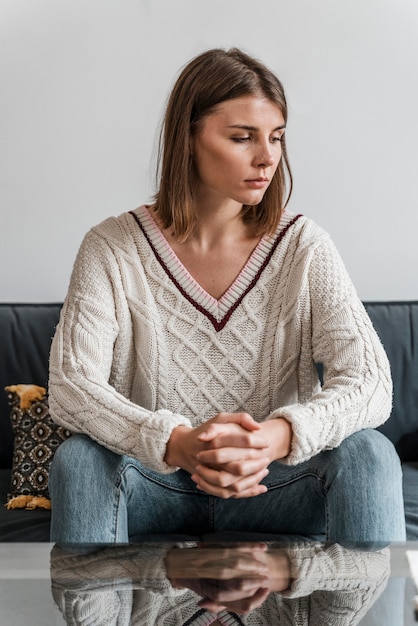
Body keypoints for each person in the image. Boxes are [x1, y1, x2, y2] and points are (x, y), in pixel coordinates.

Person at [48, 47, 405, 545]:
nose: (267, 157)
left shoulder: (303, 245)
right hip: (157, 484)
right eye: (243, 138)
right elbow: (71, 387)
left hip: (278, 483)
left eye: (276, 138)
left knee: (370, 452)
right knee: (79, 458)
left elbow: (370, 382)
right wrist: (177, 444)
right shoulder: (112, 248)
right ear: (189, 138)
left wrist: (275, 437)